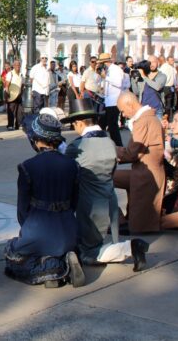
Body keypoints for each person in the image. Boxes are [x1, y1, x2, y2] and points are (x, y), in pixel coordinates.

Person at [62, 99, 149, 271]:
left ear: (79, 123)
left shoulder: (77, 146)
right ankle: (125, 247)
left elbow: (68, 172)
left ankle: (130, 247)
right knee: (96, 243)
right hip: (109, 197)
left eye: (74, 125)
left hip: (89, 201)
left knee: (89, 252)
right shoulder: (109, 143)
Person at [4, 114, 85, 288]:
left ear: (37, 139)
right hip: (69, 230)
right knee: (56, 244)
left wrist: (29, 229)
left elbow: (22, 209)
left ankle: (51, 269)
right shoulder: (73, 165)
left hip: (39, 228)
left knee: (13, 252)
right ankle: (63, 260)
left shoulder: (28, 166)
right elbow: (74, 202)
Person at [114, 91, 165, 234]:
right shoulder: (148, 118)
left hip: (146, 175)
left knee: (146, 224)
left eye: (123, 111)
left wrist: (112, 150)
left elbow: (132, 153)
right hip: (147, 171)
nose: (123, 115)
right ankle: (122, 218)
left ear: (130, 105)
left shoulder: (143, 121)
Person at [97, 53, 125, 146]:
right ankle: (103, 144)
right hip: (108, 101)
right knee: (102, 124)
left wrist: (106, 78)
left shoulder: (116, 70)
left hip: (114, 101)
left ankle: (118, 145)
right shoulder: (108, 70)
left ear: (105, 62)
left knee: (112, 126)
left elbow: (119, 83)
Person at [3, 60, 24, 130]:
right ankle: (10, 125)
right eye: (16, 65)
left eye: (19, 65)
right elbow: (7, 84)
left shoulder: (21, 74)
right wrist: (7, 92)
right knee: (11, 111)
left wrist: (21, 92)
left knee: (19, 111)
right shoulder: (10, 74)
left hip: (19, 95)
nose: (18, 66)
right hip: (11, 95)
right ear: (14, 66)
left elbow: (22, 84)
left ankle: (18, 125)